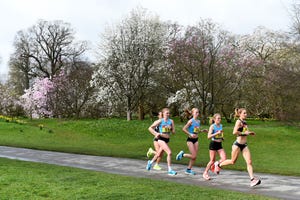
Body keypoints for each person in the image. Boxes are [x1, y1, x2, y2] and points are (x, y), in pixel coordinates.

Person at [214, 108, 261, 187]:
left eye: (246, 113)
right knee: (232, 161)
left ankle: (252, 179)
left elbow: (245, 131)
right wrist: (244, 132)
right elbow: (234, 132)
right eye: (244, 113)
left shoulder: (245, 122)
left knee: (249, 161)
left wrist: (249, 133)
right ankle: (218, 165)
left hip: (244, 145)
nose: (246, 114)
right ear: (240, 114)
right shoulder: (238, 121)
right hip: (237, 145)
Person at [175, 108, 207, 175]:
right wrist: (190, 134)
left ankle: (188, 169)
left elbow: (196, 131)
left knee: (194, 157)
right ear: (192, 113)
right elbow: (184, 129)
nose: (197, 114)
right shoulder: (190, 121)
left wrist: (202, 131)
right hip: (190, 140)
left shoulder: (198, 121)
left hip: (196, 140)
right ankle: (182, 155)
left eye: (198, 112)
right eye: (196, 112)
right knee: (193, 156)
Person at [146, 108, 177, 176]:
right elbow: (150, 128)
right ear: (163, 114)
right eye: (166, 113)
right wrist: (156, 134)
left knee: (159, 154)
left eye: (169, 113)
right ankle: (170, 170)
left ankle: (150, 163)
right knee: (169, 152)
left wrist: (171, 128)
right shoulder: (160, 121)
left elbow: (174, 132)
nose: (168, 114)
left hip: (167, 139)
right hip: (160, 139)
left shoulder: (171, 121)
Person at [202, 113, 226, 180]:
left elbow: (219, 134)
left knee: (224, 159)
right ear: (214, 119)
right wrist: (217, 133)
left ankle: (216, 164)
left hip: (219, 144)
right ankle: (205, 173)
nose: (219, 119)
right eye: (218, 118)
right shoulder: (212, 126)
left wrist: (222, 137)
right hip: (213, 144)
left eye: (220, 118)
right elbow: (208, 136)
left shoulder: (221, 125)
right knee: (212, 160)